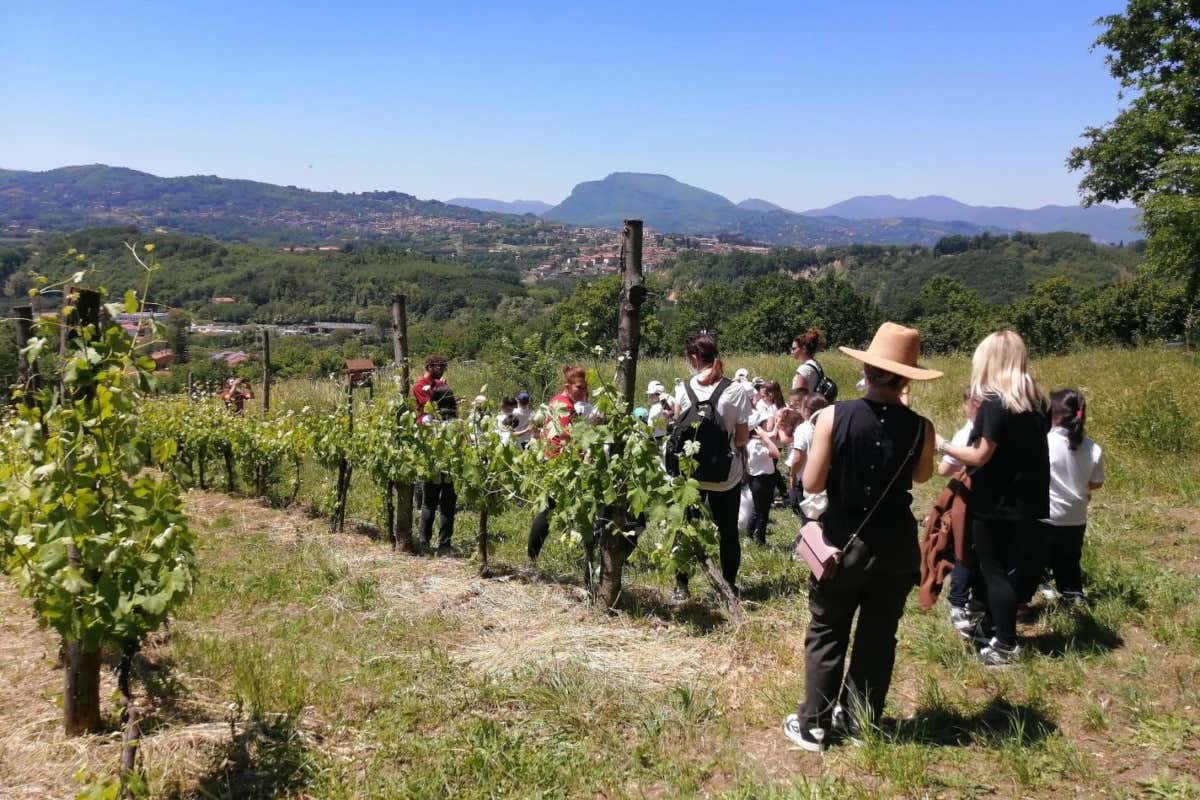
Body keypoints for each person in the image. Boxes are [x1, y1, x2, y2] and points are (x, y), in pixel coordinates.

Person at [782, 322, 939, 753]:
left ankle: (813, 724)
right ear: (907, 377)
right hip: (895, 546)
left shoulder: (834, 415)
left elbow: (812, 484)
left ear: (867, 368)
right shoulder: (921, 427)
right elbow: (923, 475)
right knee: (878, 634)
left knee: (828, 629)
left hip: (842, 542)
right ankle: (858, 719)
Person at [936, 330, 1050, 667]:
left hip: (994, 501)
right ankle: (991, 627)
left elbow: (979, 455)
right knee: (1009, 568)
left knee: (992, 570)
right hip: (1029, 499)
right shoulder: (1037, 403)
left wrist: (942, 444)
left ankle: (1006, 644)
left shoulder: (994, 402)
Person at [671, 332, 753, 599]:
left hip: (690, 476)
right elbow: (741, 438)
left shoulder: (682, 389)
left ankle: (681, 586)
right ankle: (728, 585)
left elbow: (676, 430)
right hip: (725, 475)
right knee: (728, 531)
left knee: (685, 529)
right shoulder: (736, 390)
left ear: (693, 358)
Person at [1033, 389, 1103, 606]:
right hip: (1076, 518)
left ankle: (1037, 588)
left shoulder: (1043, 442)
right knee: (1069, 560)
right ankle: (1073, 595)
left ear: (1053, 415)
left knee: (1036, 559)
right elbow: (1096, 483)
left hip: (1046, 515)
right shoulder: (1092, 447)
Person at [527, 365, 590, 562]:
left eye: (585, 387)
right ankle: (532, 556)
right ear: (568, 386)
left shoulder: (557, 401)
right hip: (558, 462)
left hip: (555, 460)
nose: (583, 391)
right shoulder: (564, 405)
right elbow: (564, 436)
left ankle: (536, 555)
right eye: (579, 387)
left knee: (553, 508)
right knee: (548, 510)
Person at [937, 388, 982, 635]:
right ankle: (977, 600)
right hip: (991, 501)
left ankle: (958, 602)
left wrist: (945, 449)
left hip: (966, 499)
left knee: (962, 548)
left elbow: (944, 469)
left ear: (971, 405)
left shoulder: (966, 432)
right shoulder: (996, 432)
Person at [413, 355, 458, 554]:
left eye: (443, 366)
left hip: (432, 458)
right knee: (444, 504)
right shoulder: (420, 386)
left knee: (429, 502)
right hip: (448, 461)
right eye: (438, 365)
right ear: (429, 366)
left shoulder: (428, 422)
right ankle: (444, 543)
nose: (441, 369)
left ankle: (425, 541)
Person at [786, 394, 828, 513]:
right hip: (825, 478)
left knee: (808, 518)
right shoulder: (829, 426)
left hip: (807, 480)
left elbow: (798, 458)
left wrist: (792, 475)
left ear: (806, 410)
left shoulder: (803, 429)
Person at [791, 328, 827, 394]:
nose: (792, 351)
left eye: (794, 349)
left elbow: (798, 397)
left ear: (804, 349)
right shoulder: (816, 365)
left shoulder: (804, 369)